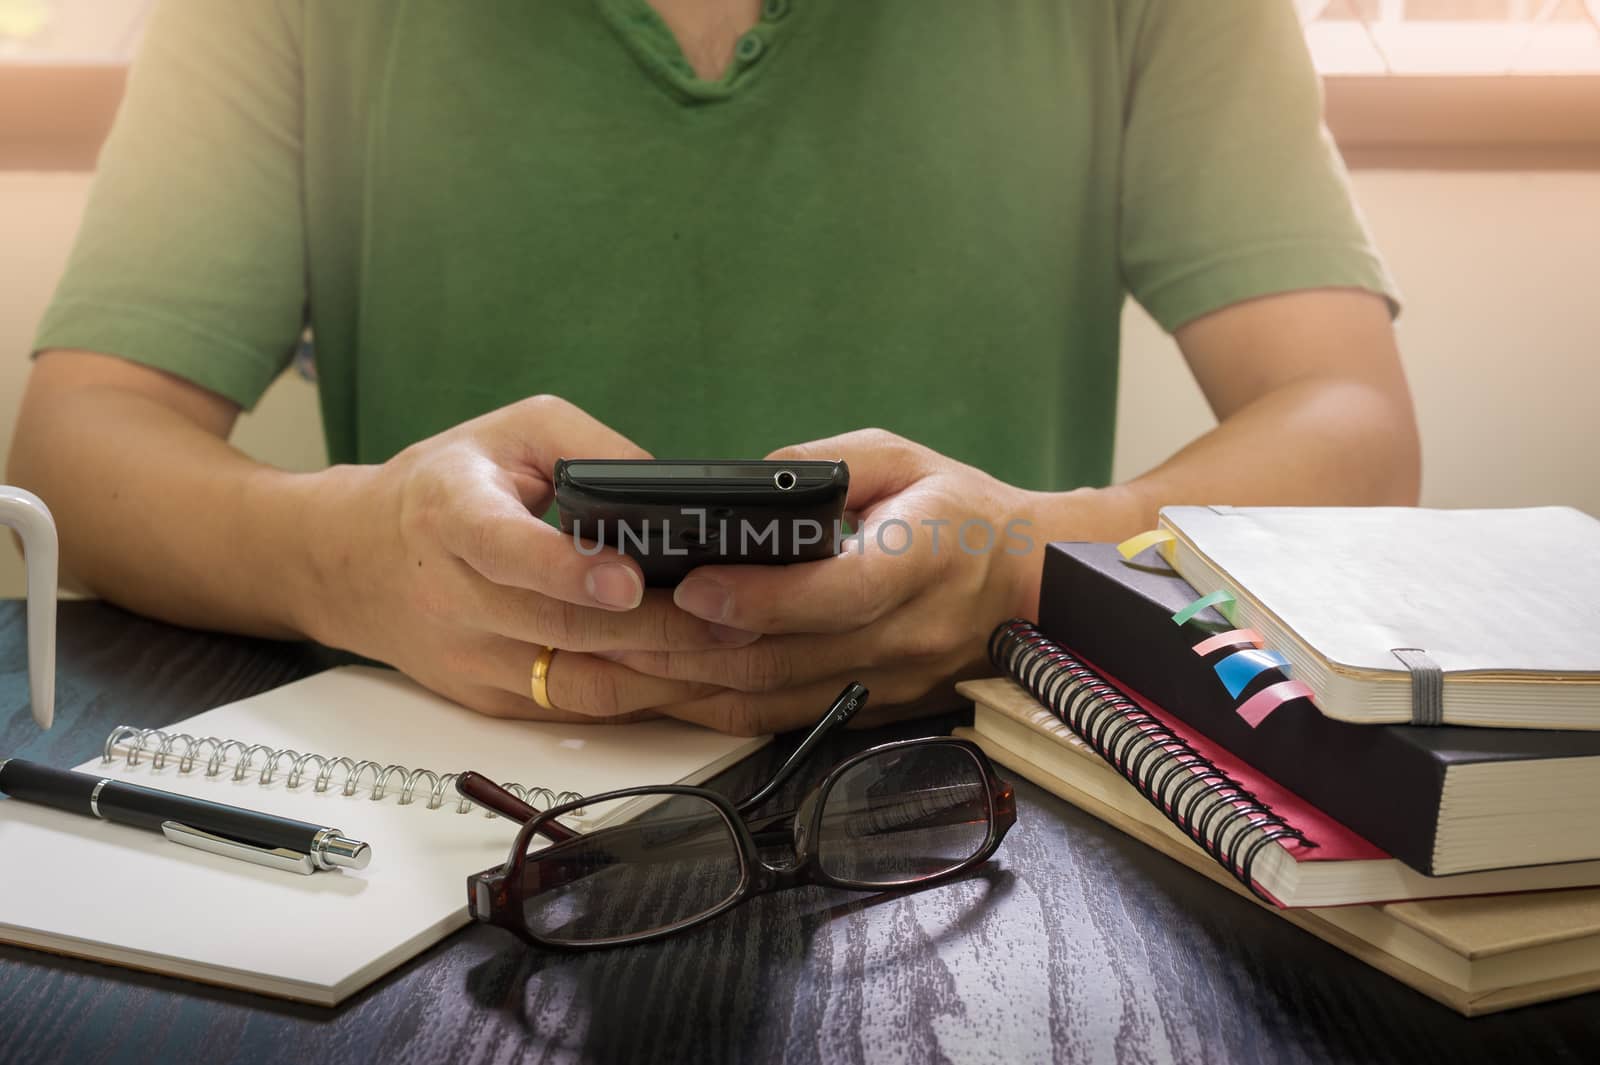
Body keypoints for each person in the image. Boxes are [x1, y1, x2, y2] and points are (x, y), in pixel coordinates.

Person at [7, 0, 1419, 736]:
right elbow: (80, 439)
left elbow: (1350, 429)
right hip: (448, 815)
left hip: (991, 811)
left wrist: (1023, 562)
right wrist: (345, 553)